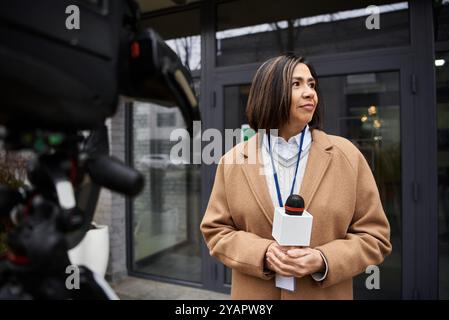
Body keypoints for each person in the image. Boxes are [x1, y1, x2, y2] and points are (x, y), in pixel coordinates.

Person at [200, 54, 392, 300]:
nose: (310, 92)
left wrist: (323, 259)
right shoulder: (233, 161)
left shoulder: (348, 156)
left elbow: (375, 237)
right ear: (269, 93)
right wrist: (263, 252)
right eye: (296, 84)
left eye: (312, 85)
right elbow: (216, 231)